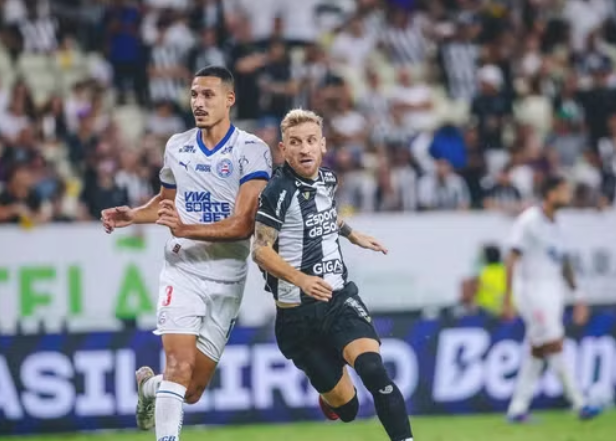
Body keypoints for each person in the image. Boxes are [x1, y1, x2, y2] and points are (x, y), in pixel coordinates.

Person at [100, 66, 272, 439]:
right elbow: (166, 204)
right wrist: (133, 214)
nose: (198, 102)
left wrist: (185, 227)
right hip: (183, 269)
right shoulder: (177, 146)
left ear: (230, 99)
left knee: (191, 390)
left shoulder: (252, 150)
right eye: (194, 94)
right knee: (177, 365)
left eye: (208, 95)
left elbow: (242, 225)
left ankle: (149, 390)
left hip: (228, 279)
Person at [251, 109, 414, 441]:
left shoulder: (327, 179)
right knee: (349, 409)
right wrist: (301, 279)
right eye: (295, 143)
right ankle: (332, 398)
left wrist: (352, 234)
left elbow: (327, 214)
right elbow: (260, 250)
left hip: (339, 300)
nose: (304, 149)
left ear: (323, 145)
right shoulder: (277, 191)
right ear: (284, 150)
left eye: (311, 141)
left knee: (372, 369)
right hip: (297, 317)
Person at [502, 175, 601, 423]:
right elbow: (512, 258)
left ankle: (517, 409)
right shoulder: (529, 222)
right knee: (554, 342)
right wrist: (507, 298)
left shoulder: (559, 226)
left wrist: (579, 296)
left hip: (552, 291)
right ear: (549, 193)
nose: (567, 195)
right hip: (531, 290)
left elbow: (564, 263)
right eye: (563, 190)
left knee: (538, 349)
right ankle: (580, 403)